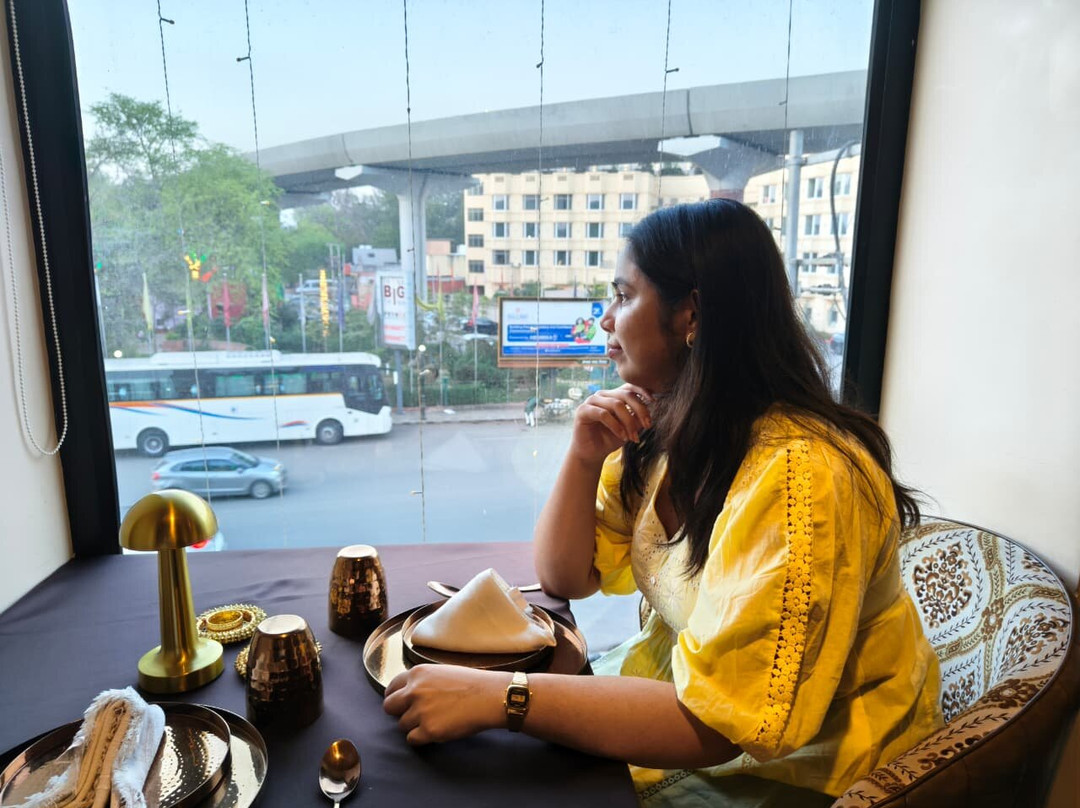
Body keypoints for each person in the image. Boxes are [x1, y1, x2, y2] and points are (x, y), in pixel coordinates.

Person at [383, 200, 943, 806]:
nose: (605, 320)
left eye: (623, 296)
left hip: (808, 768)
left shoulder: (801, 477)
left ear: (690, 315)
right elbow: (566, 576)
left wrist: (504, 698)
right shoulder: (672, 427)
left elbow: (721, 724)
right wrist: (583, 456)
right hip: (678, 700)